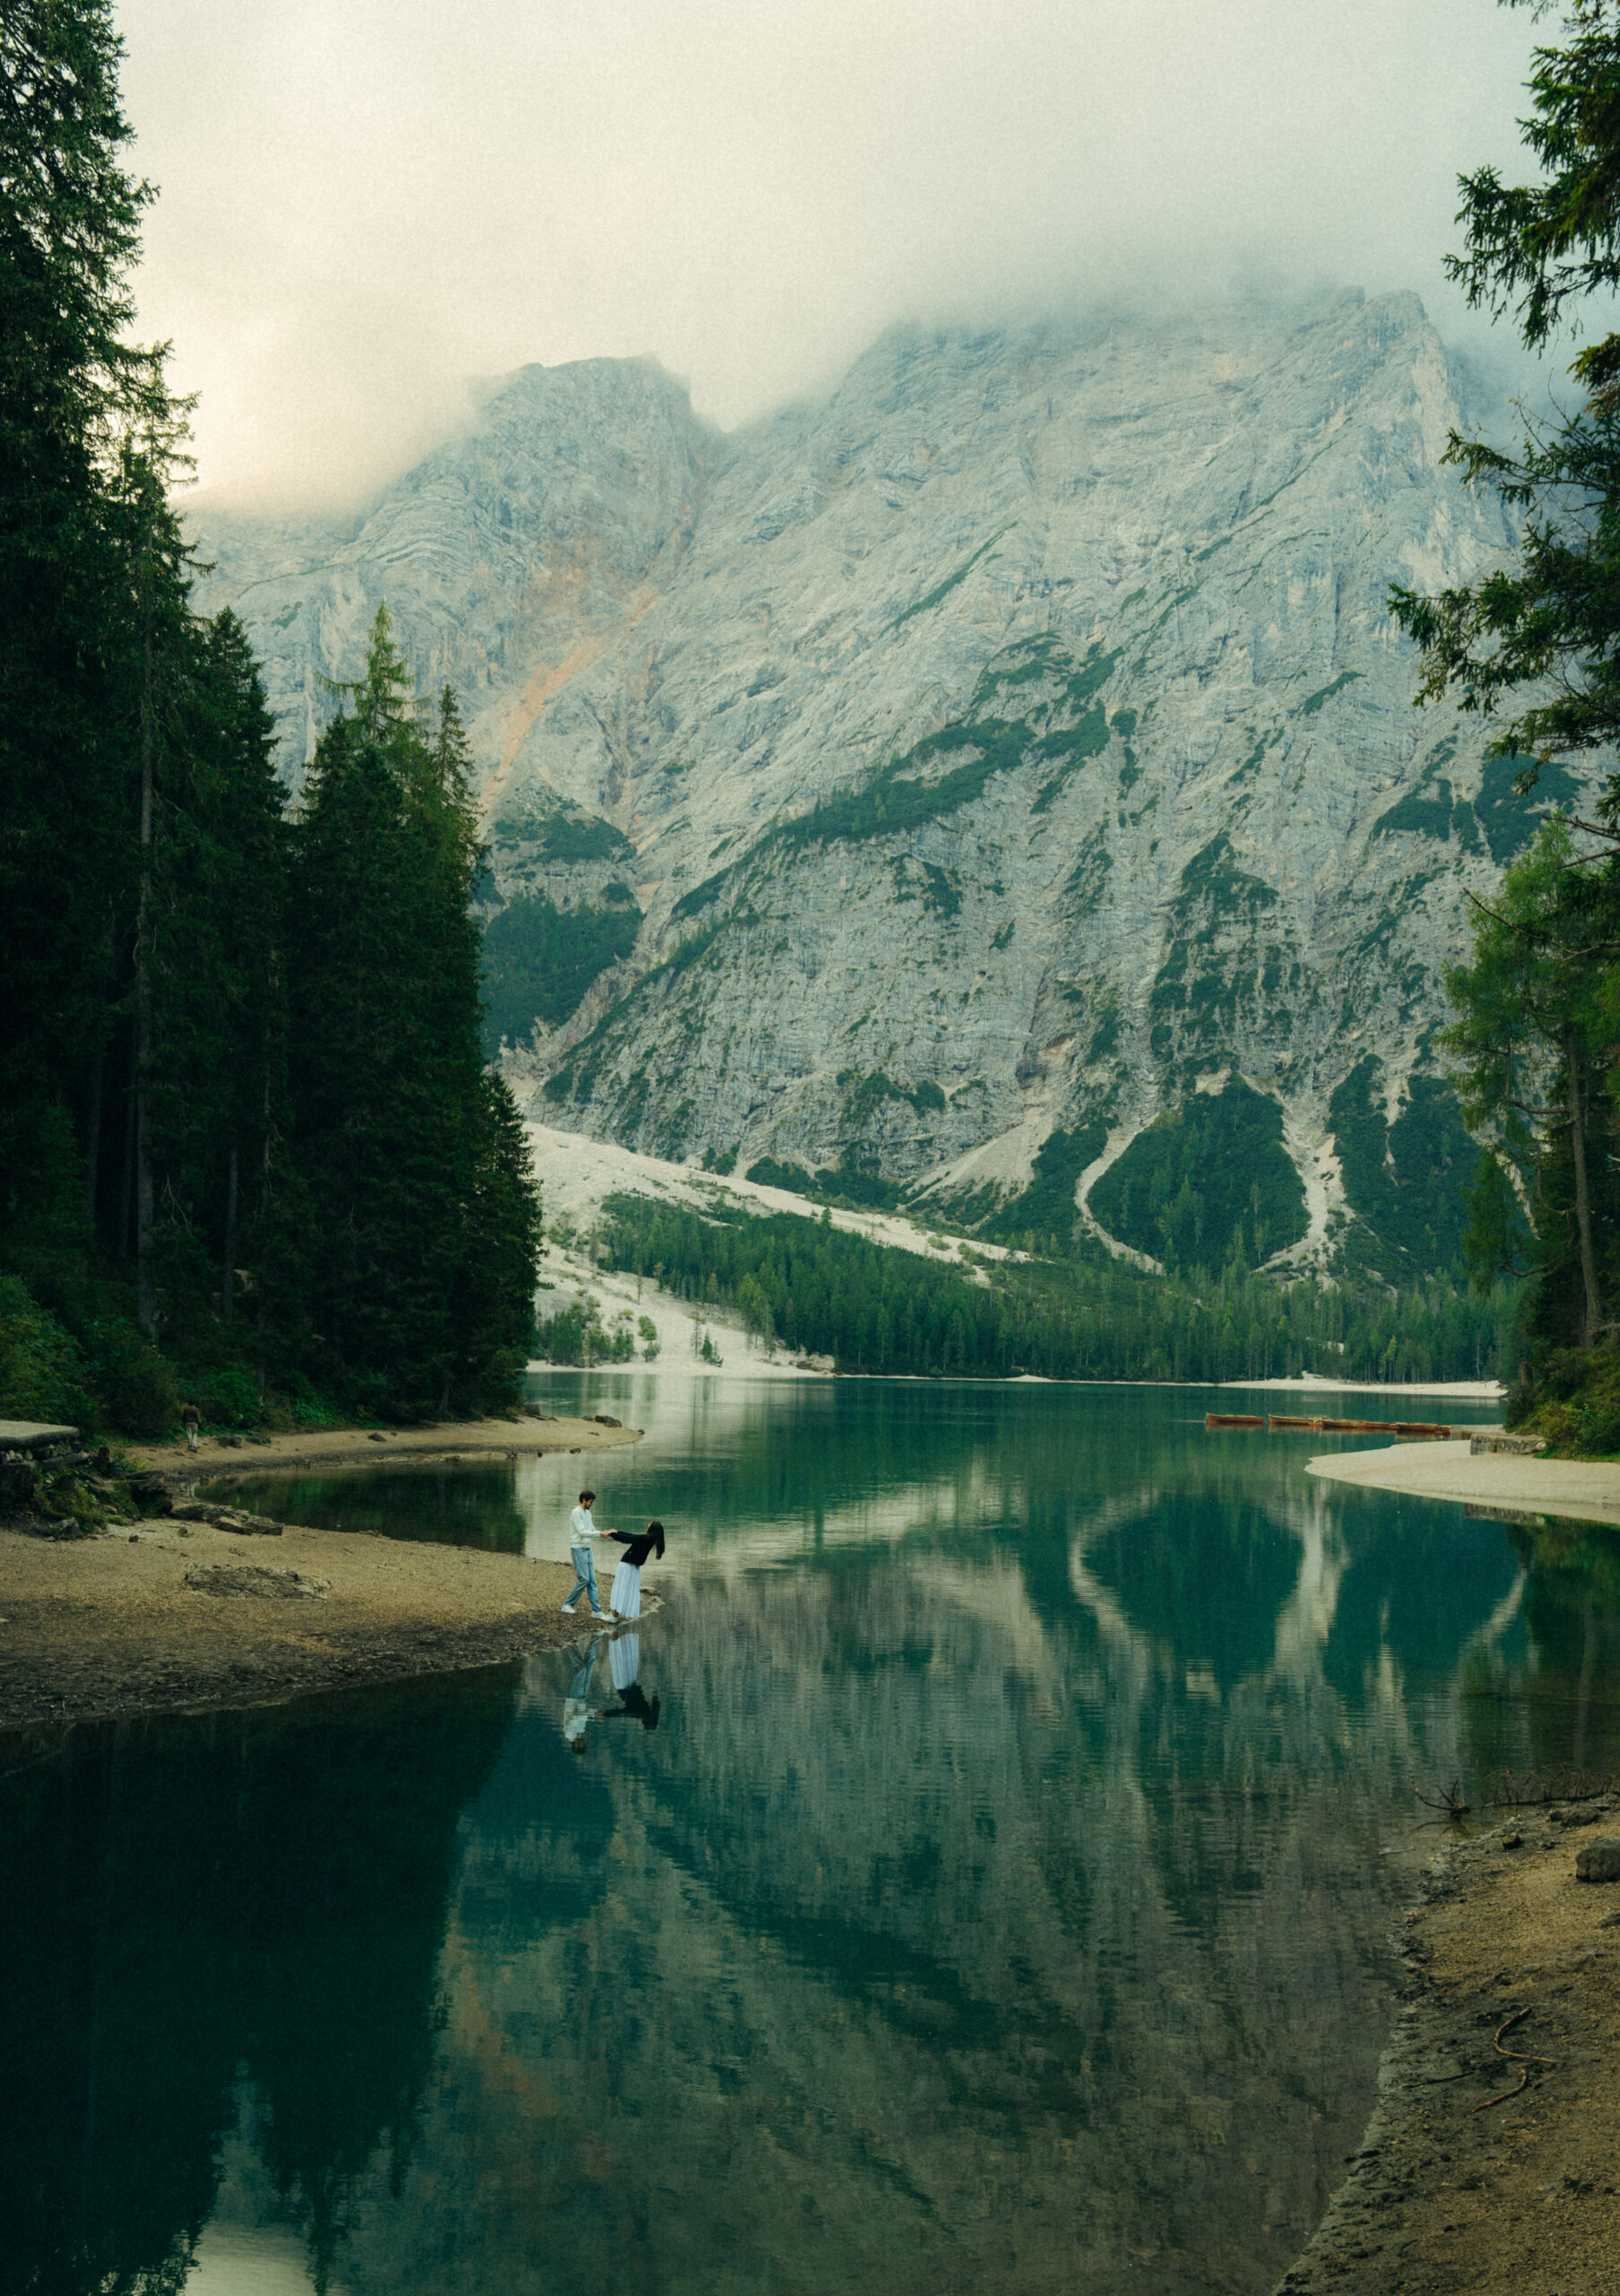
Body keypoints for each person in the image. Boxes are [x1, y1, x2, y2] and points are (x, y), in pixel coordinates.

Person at [562, 1489, 614, 1621]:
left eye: (592, 1502)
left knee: (592, 1581)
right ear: (583, 1500)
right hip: (578, 1549)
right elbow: (582, 1532)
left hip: (587, 1549)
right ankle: (567, 1604)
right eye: (590, 1502)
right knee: (584, 1579)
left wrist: (604, 1532)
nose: (591, 1504)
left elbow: (591, 1530)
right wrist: (599, 1534)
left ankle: (596, 1611)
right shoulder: (576, 1513)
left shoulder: (587, 1513)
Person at [605, 1518, 665, 1622]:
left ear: (652, 1528)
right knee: (627, 1590)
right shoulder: (650, 1540)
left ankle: (614, 1616)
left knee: (620, 1589)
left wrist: (612, 1534)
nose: (648, 1524)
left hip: (626, 1565)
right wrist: (617, 1532)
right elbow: (631, 1536)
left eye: (650, 1524)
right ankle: (618, 1615)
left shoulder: (644, 1538)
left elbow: (627, 1539)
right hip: (634, 1569)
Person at [562, 1634, 603, 1752]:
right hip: (582, 1697)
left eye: (582, 1745)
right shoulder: (580, 1731)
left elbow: (576, 1716)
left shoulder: (569, 1733)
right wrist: (593, 1712)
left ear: (576, 1746)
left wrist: (592, 1714)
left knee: (581, 1670)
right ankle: (596, 1637)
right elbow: (583, 1713)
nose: (584, 1743)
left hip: (573, 1698)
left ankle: (568, 1644)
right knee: (589, 1665)